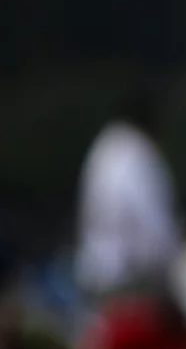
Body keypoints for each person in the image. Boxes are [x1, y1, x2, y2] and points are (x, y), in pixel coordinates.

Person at [76, 90, 180, 299]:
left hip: (98, 272)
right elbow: (149, 218)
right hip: (132, 277)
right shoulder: (136, 154)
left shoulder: (104, 150)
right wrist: (167, 265)